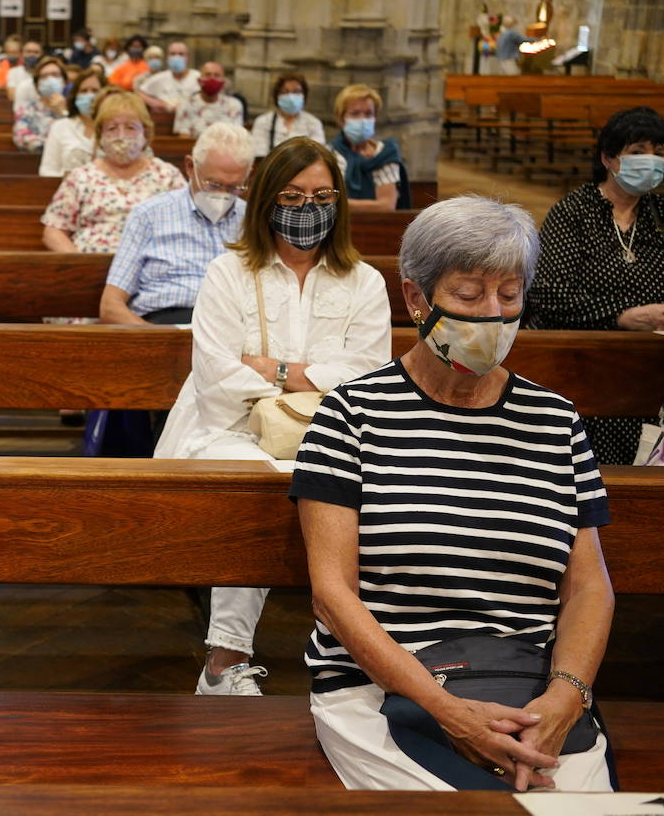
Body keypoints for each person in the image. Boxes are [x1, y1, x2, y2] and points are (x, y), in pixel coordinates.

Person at [296, 196, 615, 792]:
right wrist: (449, 712)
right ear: (416, 298)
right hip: (384, 685)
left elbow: (590, 586)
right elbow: (332, 596)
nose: (493, 315)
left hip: (527, 686)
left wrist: (565, 697)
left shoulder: (555, 419)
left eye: (511, 295)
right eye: (469, 296)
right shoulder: (352, 415)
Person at [155, 137, 391, 696]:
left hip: (332, 430)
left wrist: (277, 370)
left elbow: (367, 372)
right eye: (292, 195)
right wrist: (312, 373)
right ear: (265, 200)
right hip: (228, 428)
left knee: (355, 481)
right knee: (260, 485)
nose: (308, 208)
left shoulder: (364, 282)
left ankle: (362, 654)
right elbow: (216, 372)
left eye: (321, 194)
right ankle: (224, 660)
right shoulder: (228, 272)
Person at [526, 106, 664, 465]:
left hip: (647, 371)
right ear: (609, 158)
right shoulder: (574, 213)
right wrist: (621, 316)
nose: (651, 161)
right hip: (579, 366)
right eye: (637, 152)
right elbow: (547, 293)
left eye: (659, 153)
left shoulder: (659, 214)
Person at [101, 123, 254, 325]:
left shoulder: (252, 219)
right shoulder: (149, 215)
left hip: (234, 327)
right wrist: (155, 339)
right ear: (191, 167)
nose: (223, 195)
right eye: (214, 184)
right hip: (165, 324)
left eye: (235, 187)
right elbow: (111, 305)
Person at [41, 89, 185, 254]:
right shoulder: (81, 177)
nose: (121, 136)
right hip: (90, 269)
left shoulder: (167, 176)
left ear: (145, 132)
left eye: (130, 127)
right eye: (112, 128)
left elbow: (188, 228)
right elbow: (53, 231)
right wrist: (80, 264)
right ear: (100, 134)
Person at [329, 83, 403, 211]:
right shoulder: (330, 154)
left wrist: (342, 204)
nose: (362, 120)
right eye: (355, 113)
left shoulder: (385, 153)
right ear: (341, 119)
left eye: (368, 114)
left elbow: (387, 206)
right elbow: (326, 201)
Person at [39, 68, 104, 178]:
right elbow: (47, 170)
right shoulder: (61, 127)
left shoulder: (116, 128)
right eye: (84, 91)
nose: (90, 96)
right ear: (75, 96)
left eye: (95, 90)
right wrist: (70, 177)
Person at [251, 73, 326, 158]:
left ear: (304, 95)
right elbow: (259, 154)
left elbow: (318, 155)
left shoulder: (314, 123)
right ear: (277, 95)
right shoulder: (263, 122)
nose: (290, 96)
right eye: (285, 92)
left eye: (296, 92)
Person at [12, 56, 69, 154]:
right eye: (44, 76)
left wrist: (63, 113)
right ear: (36, 85)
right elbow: (22, 137)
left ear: (64, 81)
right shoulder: (26, 110)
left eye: (55, 75)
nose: (50, 79)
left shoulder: (74, 109)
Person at [174, 61, 244, 138]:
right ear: (199, 80)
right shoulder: (186, 104)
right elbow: (184, 139)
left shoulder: (234, 105)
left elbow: (237, 137)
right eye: (208, 75)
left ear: (223, 81)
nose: (212, 78)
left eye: (217, 75)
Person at [137, 42, 200, 114]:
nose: (177, 57)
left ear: (188, 57)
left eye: (181, 54)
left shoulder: (197, 77)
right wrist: (154, 103)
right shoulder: (159, 78)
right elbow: (140, 92)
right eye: (173, 54)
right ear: (167, 57)